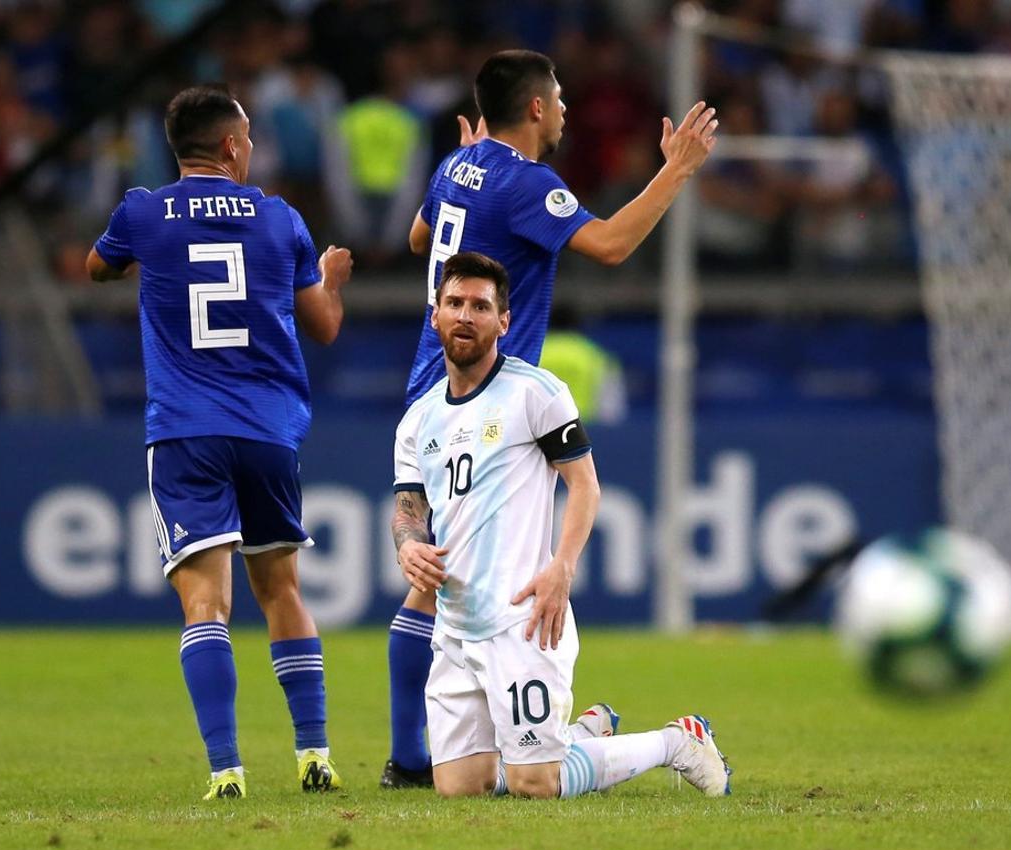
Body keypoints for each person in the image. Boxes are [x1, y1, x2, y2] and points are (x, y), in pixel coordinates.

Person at [383, 48, 719, 788]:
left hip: (431, 386)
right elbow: (611, 244)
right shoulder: (527, 181)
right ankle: (460, 751)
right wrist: (678, 169)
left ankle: (450, 750)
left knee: (440, 581)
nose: (566, 109)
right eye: (560, 97)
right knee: (464, 583)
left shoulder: (453, 168)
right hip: (493, 404)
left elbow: (417, 241)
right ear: (536, 107)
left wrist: (469, 185)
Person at [85, 84, 351, 800]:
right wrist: (332, 280)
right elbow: (323, 325)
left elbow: (95, 266)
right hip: (267, 430)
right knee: (283, 589)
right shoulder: (278, 219)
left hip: (184, 430)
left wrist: (128, 261)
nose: (253, 149)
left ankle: (226, 769)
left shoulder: (143, 211)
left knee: (206, 605)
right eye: (250, 139)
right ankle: (315, 754)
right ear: (232, 145)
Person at [392, 252, 731, 799]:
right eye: (454, 303)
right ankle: (574, 737)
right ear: (434, 314)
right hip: (456, 623)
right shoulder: (418, 419)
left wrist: (561, 569)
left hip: (523, 616)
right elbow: (408, 510)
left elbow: (586, 486)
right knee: (460, 789)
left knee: (534, 786)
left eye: (481, 306)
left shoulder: (535, 392)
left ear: (504, 321)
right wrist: (407, 546)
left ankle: (676, 741)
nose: (465, 315)